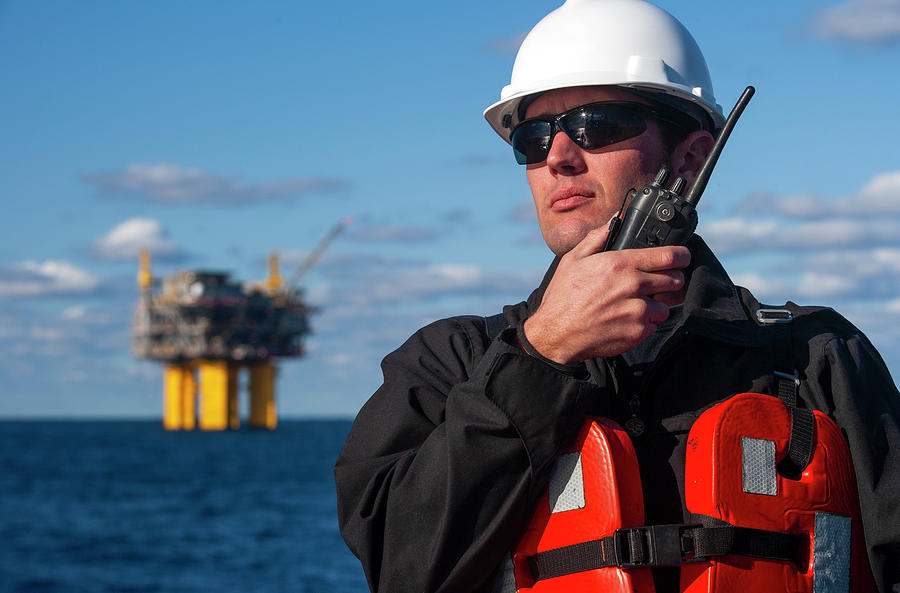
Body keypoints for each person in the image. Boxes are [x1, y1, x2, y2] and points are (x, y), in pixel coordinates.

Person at [334, 1, 900, 592]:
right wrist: (539, 357)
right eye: (532, 137)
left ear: (691, 157)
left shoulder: (814, 358)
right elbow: (402, 570)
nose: (557, 157)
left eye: (595, 125)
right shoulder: (449, 363)